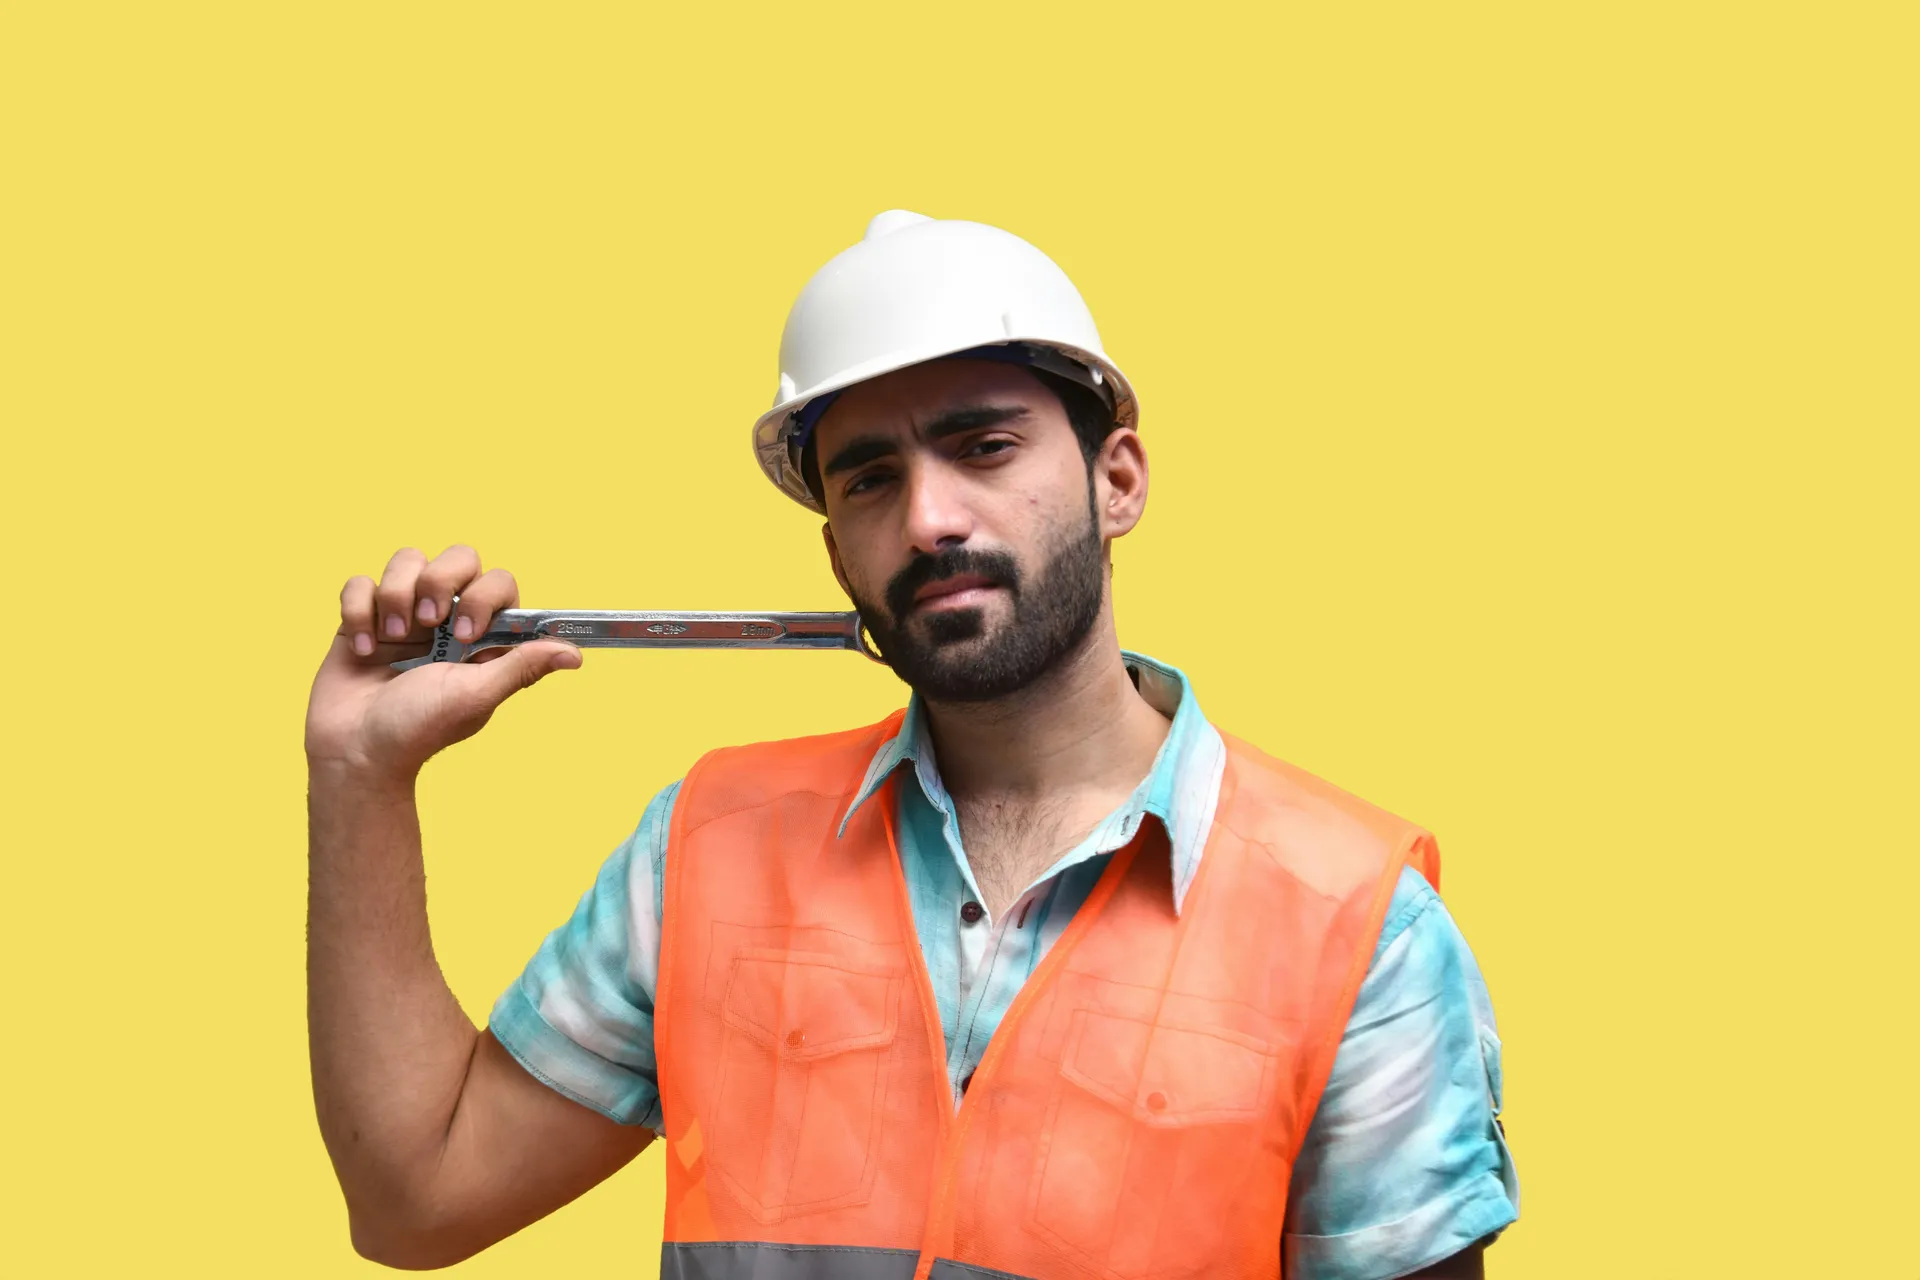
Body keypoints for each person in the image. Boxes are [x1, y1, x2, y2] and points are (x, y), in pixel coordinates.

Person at [305, 211, 1519, 1279]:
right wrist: (361, 774)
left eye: (984, 447)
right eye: (870, 479)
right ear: (836, 551)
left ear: (1118, 480)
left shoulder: (1357, 924)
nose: (929, 518)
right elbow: (418, 1197)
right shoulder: (708, 847)